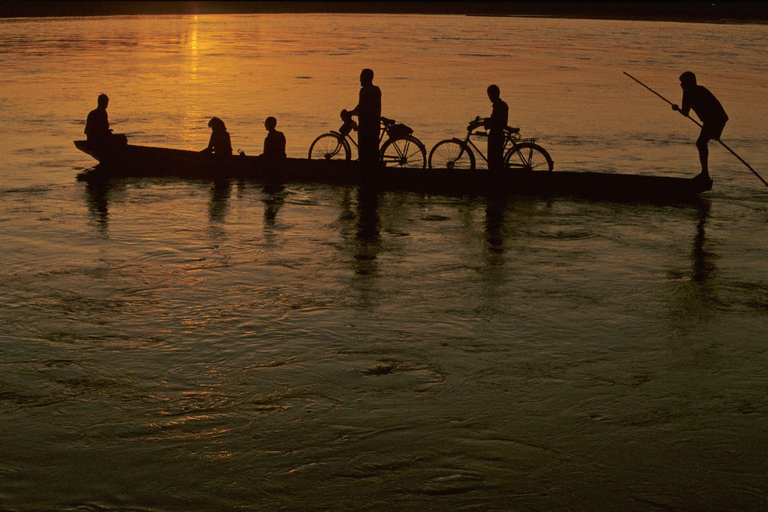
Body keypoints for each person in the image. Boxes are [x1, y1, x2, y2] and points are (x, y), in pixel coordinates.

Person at [672, 71, 728, 183]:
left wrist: (717, 131)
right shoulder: (688, 94)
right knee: (701, 143)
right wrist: (678, 109)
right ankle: (705, 173)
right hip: (711, 121)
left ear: (689, 83)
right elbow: (686, 113)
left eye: (683, 83)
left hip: (716, 119)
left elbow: (719, 112)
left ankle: (705, 174)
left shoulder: (700, 91)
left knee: (701, 143)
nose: (681, 85)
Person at [348, 68, 382, 168]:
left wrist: (351, 113)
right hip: (375, 125)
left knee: (364, 153)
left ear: (365, 78)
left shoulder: (364, 91)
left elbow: (362, 106)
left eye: (361, 77)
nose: (359, 79)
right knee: (373, 151)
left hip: (366, 126)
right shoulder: (377, 90)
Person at [483, 84, 508, 171]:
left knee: (493, 160)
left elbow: (495, 122)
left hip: (495, 135)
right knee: (497, 158)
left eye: (490, 95)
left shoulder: (498, 106)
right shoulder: (502, 104)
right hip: (499, 134)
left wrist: (485, 124)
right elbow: (496, 119)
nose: (490, 97)